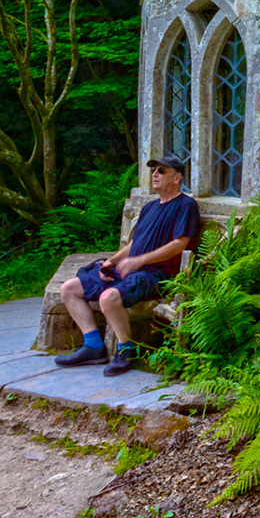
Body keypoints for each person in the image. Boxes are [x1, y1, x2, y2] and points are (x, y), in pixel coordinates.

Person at [54, 154, 202, 377]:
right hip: (132, 270)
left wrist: (140, 260)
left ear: (176, 178)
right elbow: (134, 244)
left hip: (157, 274)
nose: (154, 174)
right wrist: (112, 261)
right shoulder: (150, 208)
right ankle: (93, 346)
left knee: (108, 298)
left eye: (161, 171)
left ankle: (126, 350)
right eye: (153, 170)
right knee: (69, 289)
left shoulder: (185, 205)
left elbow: (180, 244)